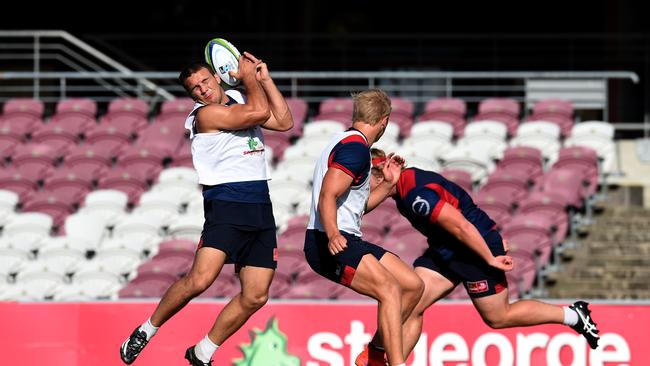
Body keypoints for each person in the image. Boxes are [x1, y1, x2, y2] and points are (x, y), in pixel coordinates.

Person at [119, 51, 294, 366]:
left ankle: (203, 351)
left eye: (204, 81)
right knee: (200, 280)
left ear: (216, 76)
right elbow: (256, 113)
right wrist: (251, 78)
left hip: (260, 207)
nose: (202, 89)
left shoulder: (241, 97)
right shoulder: (205, 115)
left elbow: (284, 121)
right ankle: (147, 329)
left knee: (256, 295)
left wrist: (264, 80)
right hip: (226, 205)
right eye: (194, 89)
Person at [363, 148, 600, 364]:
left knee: (498, 317)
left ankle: (573, 315)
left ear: (382, 175)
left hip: (473, 250)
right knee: (411, 303)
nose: (364, 189)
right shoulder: (402, 186)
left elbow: (462, 226)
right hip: (447, 248)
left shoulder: (416, 195)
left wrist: (489, 255)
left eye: (366, 183)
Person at [304, 89, 424, 366]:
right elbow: (327, 194)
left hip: (346, 236)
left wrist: (387, 184)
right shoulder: (355, 149)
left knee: (413, 285)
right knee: (390, 290)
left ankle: (373, 354)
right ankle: (393, 362)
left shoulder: (348, 143)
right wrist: (333, 233)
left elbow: (358, 205)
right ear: (384, 121)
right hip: (329, 240)